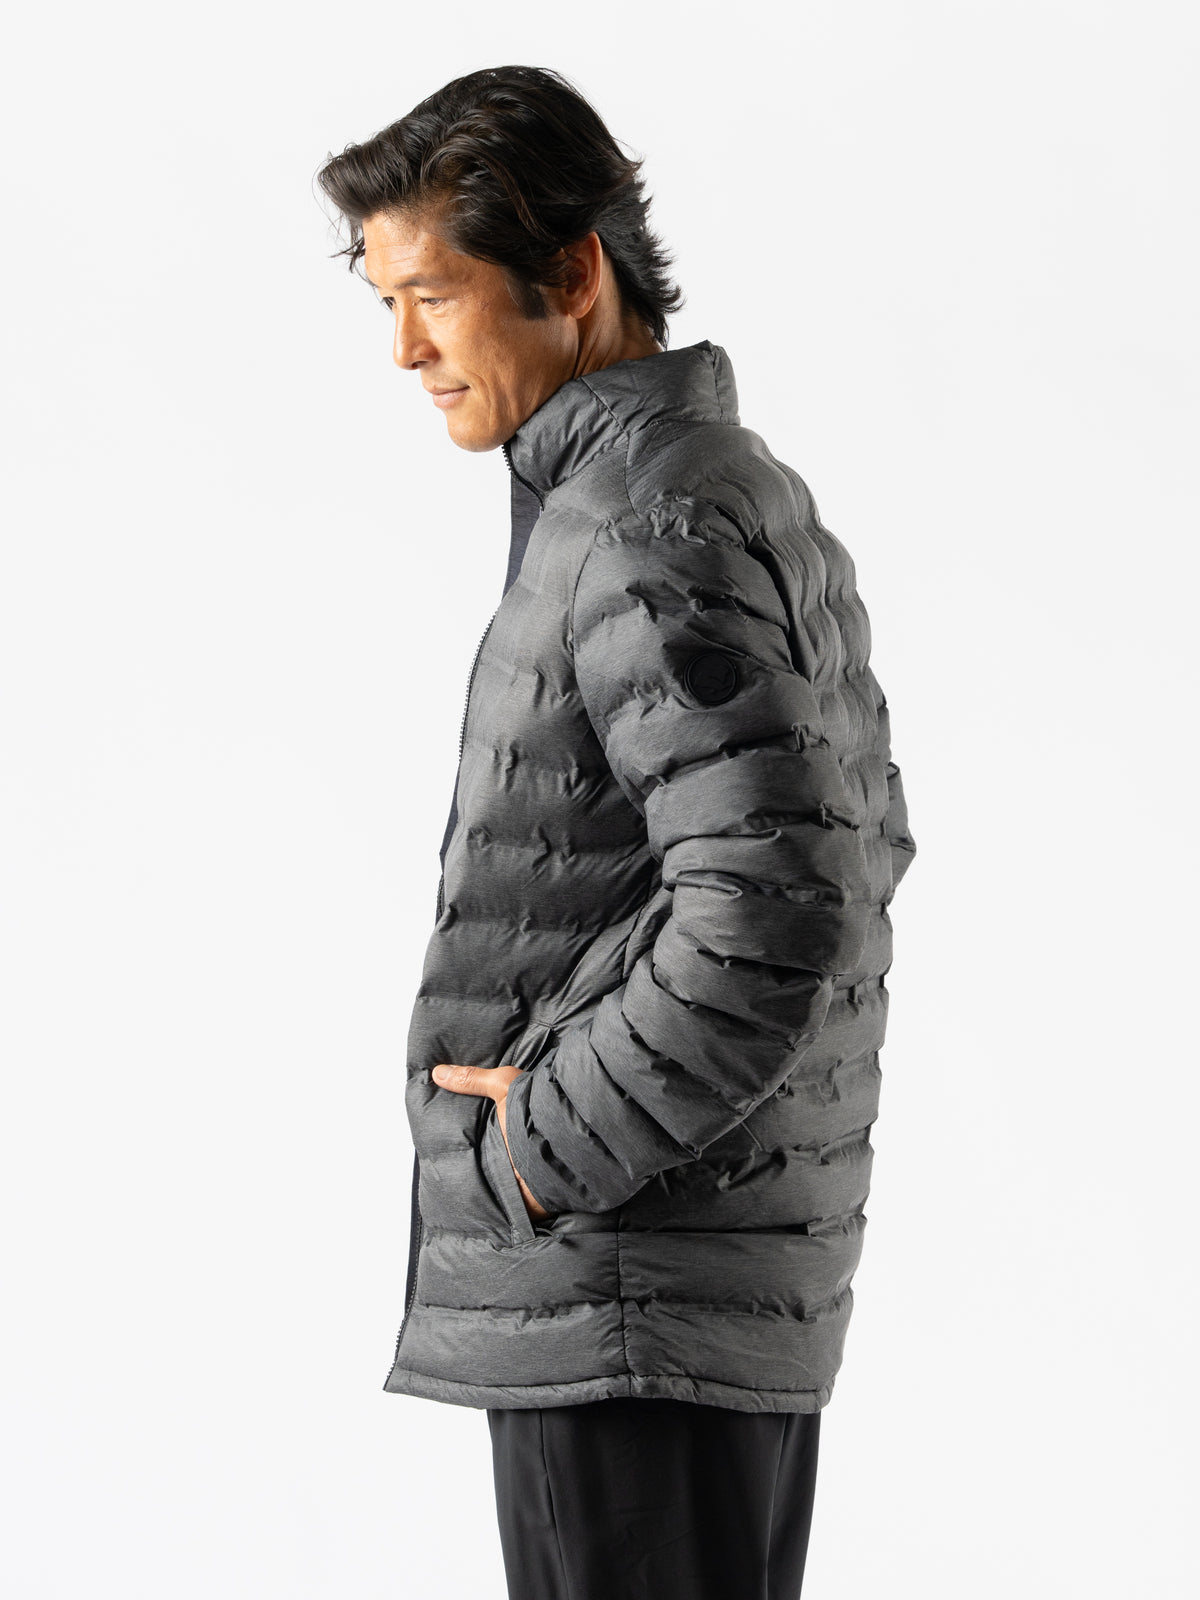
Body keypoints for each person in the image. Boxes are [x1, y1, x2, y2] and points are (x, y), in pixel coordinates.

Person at [318, 64, 917, 1600]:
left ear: (573, 272)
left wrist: (539, 1148)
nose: (404, 349)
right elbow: (859, 843)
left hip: (631, 1292)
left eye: (434, 296)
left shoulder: (648, 522)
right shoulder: (714, 489)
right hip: (679, 1287)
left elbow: (782, 905)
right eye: (385, 304)